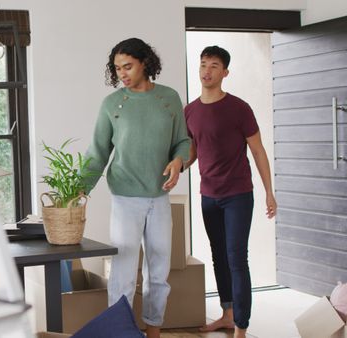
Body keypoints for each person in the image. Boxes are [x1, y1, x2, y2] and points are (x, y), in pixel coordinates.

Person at [84, 37, 190, 338]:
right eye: (117, 69)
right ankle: (120, 332)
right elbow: (97, 152)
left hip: (159, 197)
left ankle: (153, 330)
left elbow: (183, 140)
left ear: (145, 62)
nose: (123, 74)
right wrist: (78, 191)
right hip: (125, 198)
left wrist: (178, 162)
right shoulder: (112, 104)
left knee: (159, 272)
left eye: (128, 66)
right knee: (123, 274)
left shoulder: (169, 98)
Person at [184, 45, 277, 338]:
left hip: (237, 195)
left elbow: (258, 151)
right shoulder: (190, 111)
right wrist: (175, 169)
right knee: (218, 256)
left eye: (213, 66)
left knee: (236, 257)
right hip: (208, 195)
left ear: (224, 72)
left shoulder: (239, 108)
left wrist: (269, 193)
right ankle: (227, 313)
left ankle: (242, 326)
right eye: (202, 65)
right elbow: (192, 153)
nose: (206, 71)